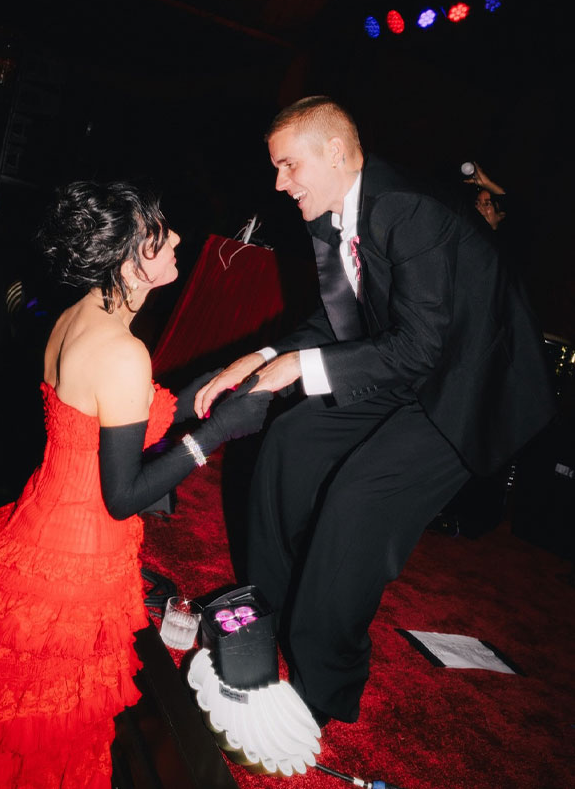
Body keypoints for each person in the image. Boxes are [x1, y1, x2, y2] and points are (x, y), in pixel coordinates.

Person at [0, 179, 270, 787]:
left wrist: (206, 390)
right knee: (32, 737)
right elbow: (124, 496)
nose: (178, 238)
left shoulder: (78, 315)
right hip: (75, 554)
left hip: (39, 523)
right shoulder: (122, 351)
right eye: (158, 232)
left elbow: (114, 422)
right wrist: (214, 435)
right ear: (126, 259)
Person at [195, 96, 556, 726]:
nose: (279, 183)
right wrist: (257, 357)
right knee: (291, 443)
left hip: (468, 387)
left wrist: (296, 370)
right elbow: (339, 321)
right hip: (409, 362)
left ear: (335, 153)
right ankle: (265, 616)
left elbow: (423, 345)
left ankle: (325, 692)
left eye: (288, 166)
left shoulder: (404, 208)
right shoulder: (335, 211)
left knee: (358, 502)